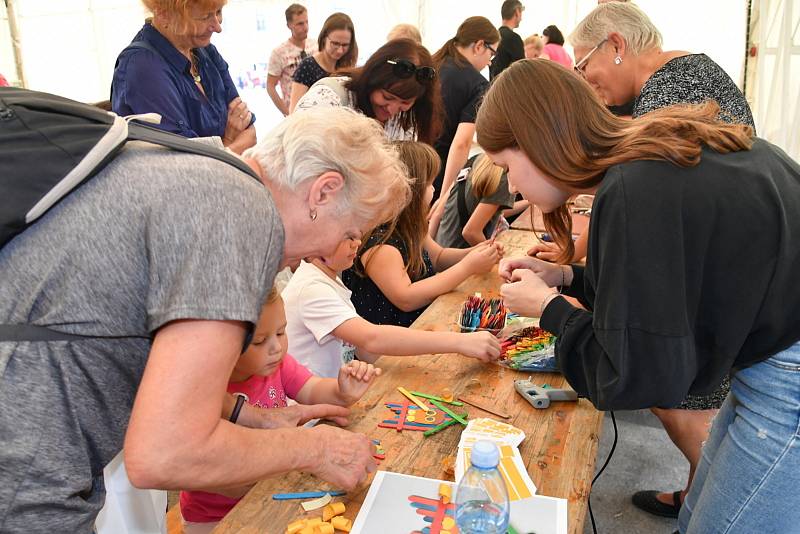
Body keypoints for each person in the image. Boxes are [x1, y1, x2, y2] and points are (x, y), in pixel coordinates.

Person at [0, 107, 410, 532]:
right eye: (349, 233)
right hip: (25, 467)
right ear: (323, 192)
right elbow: (165, 451)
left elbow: (157, 371)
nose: (328, 253)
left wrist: (252, 417)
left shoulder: (204, 169)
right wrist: (315, 448)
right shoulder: (238, 213)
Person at [478, 58, 800, 534]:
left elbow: (633, 375)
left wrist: (550, 311)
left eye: (507, 166)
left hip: (787, 373)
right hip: (772, 353)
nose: (510, 186)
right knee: (696, 516)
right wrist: (566, 276)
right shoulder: (649, 160)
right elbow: (664, 290)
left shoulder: (634, 188)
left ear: (537, 142)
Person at [555, 2, 756, 517]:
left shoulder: (671, 93)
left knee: (681, 398)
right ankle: (698, 491)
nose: (585, 80)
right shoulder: (684, 78)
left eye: (583, 66)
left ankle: (709, 500)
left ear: (616, 46)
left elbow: (653, 205)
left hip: (711, 279)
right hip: (718, 268)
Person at [179, 286, 381, 533]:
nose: (276, 347)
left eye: (281, 332)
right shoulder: (204, 390)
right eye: (260, 341)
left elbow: (312, 389)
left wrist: (342, 391)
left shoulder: (279, 365)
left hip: (274, 494)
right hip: (214, 516)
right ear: (221, 344)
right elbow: (223, 479)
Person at [282, 238, 501, 379]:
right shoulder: (311, 290)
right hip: (313, 420)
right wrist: (458, 342)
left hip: (332, 400)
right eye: (347, 236)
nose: (357, 242)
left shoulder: (327, 279)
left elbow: (366, 351)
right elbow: (372, 338)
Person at [344, 141, 502, 328]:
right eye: (429, 184)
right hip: (390, 343)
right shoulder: (380, 245)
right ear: (409, 190)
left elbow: (438, 257)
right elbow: (406, 298)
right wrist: (467, 267)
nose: (434, 189)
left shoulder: (410, 227)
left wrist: (475, 253)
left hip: (423, 323)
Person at [111, 1, 256, 154]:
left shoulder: (204, 49)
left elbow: (249, 131)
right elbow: (185, 165)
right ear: (164, 14)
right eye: (204, 17)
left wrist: (226, 148)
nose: (218, 27)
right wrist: (228, 143)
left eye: (218, 12)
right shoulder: (143, 67)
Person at [428, 16, 499, 236]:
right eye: (492, 53)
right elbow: (461, 143)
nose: (490, 61)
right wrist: (445, 196)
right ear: (479, 45)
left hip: (412, 161)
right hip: (438, 170)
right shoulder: (476, 83)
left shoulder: (433, 63)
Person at [295, 38, 443, 144]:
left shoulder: (406, 119)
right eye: (387, 97)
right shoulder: (328, 99)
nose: (392, 109)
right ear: (372, 79)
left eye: (405, 102)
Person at [435, 153, 515, 248]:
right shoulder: (504, 175)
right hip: (461, 255)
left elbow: (437, 213)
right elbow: (471, 232)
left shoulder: (476, 159)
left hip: (441, 249)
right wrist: (494, 256)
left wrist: (429, 256)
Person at [289, 12, 357, 113]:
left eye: (345, 45)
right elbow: (294, 111)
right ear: (324, 38)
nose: (340, 50)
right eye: (335, 43)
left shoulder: (347, 66)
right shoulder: (307, 66)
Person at [266, 3, 317, 116]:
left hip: (317, 110)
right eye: (300, 24)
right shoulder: (279, 53)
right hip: (295, 112)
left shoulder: (316, 46)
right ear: (289, 25)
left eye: (306, 22)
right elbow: (270, 86)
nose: (305, 27)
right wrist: (287, 112)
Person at [489, 0, 525, 81]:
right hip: (508, 89)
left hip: (493, 88)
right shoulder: (514, 38)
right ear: (517, 12)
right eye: (521, 14)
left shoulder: (492, 37)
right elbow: (521, 71)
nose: (521, 18)